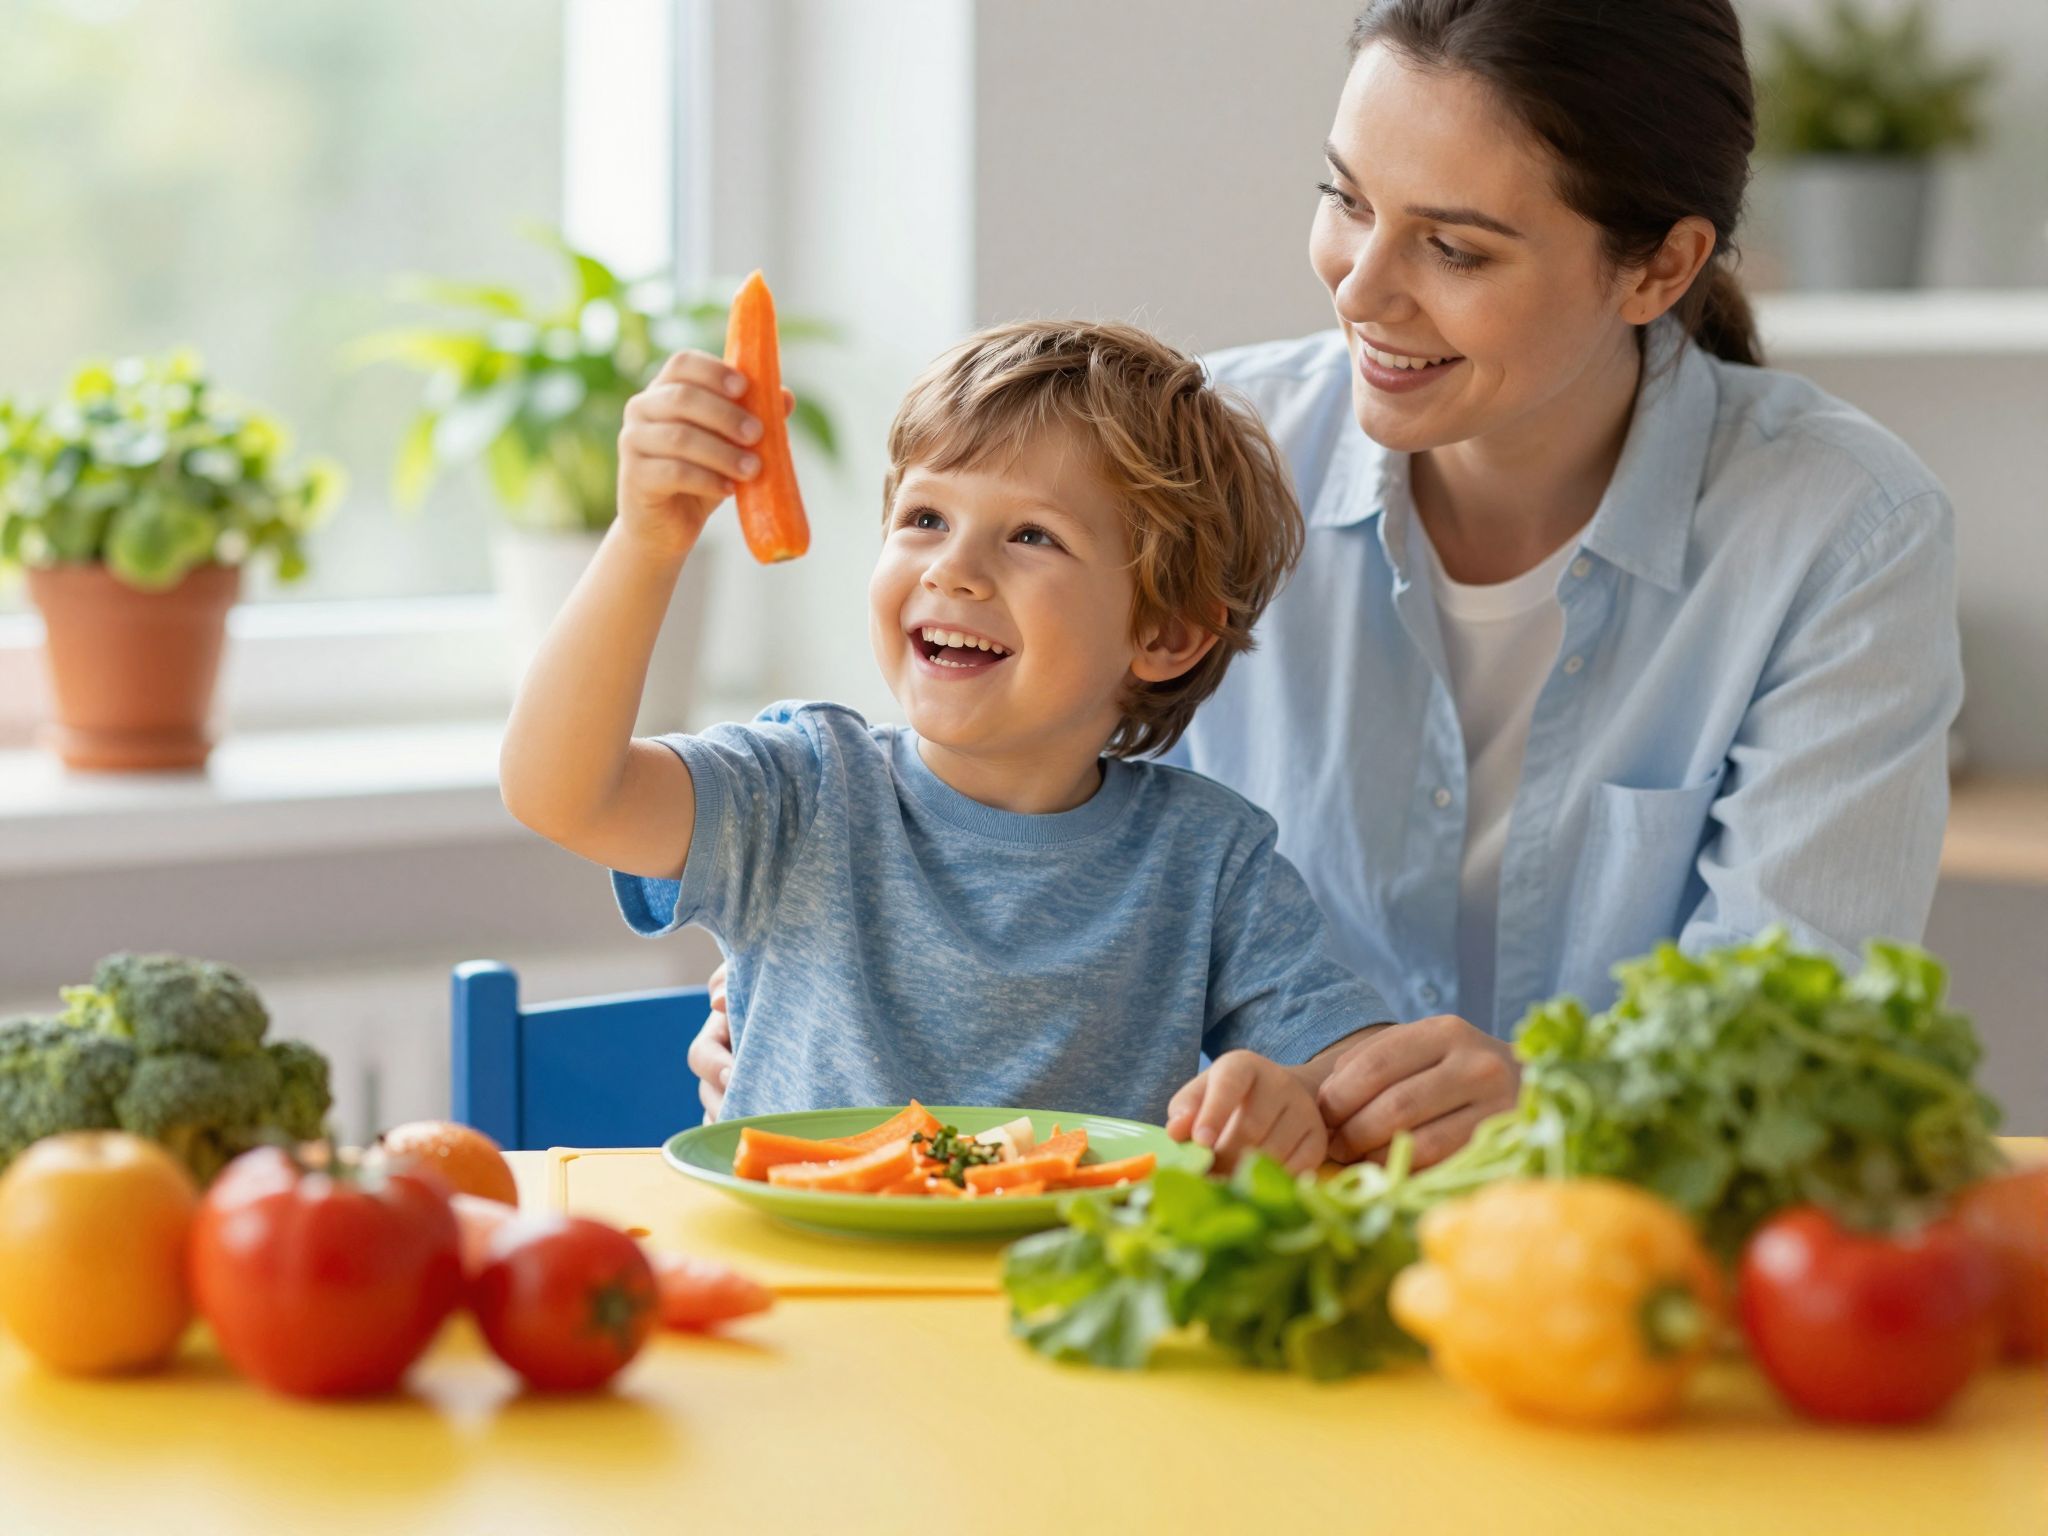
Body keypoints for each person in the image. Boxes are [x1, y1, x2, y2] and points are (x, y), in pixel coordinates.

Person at [686, 0, 1963, 1172]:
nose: (1359, 285)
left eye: (1453, 247)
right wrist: (815, 984)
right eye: (1345, 200)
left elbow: (1809, 1047)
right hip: (1229, 1268)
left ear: (1657, 269)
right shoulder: (1192, 470)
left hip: (1612, 1267)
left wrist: (1560, 1101)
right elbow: (977, 793)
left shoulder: (1840, 531)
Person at [499, 319, 1400, 1174]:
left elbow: (1353, 1082)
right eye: (925, 518)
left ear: (1163, 634)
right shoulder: (800, 786)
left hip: (1054, 1312)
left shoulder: (1211, 861)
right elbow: (560, 792)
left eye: (1032, 536)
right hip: (808, 1296)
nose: (951, 568)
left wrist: (1288, 1099)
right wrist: (647, 542)